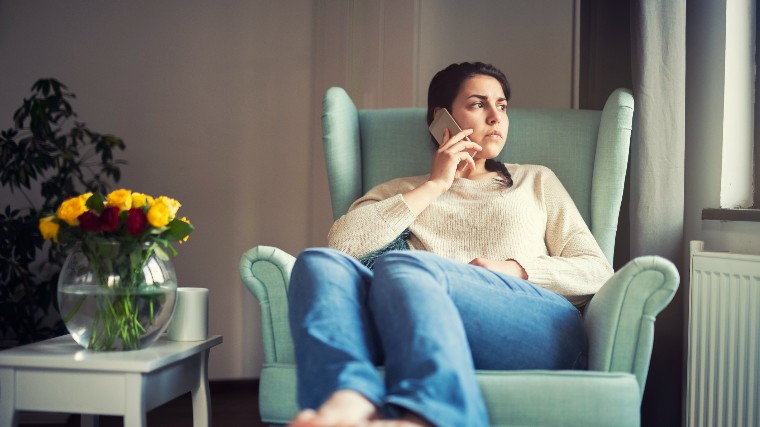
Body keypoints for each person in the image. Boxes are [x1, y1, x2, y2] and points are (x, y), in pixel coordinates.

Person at [287, 62, 614, 427]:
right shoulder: (401, 191)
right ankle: (346, 402)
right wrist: (435, 186)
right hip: (423, 320)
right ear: (441, 118)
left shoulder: (535, 180)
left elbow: (598, 270)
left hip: (534, 324)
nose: (496, 117)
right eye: (478, 104)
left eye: (502, 106)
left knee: (404, 265)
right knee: (316, 262)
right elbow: (342, 246)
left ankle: (434, 417)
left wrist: (516, 270)